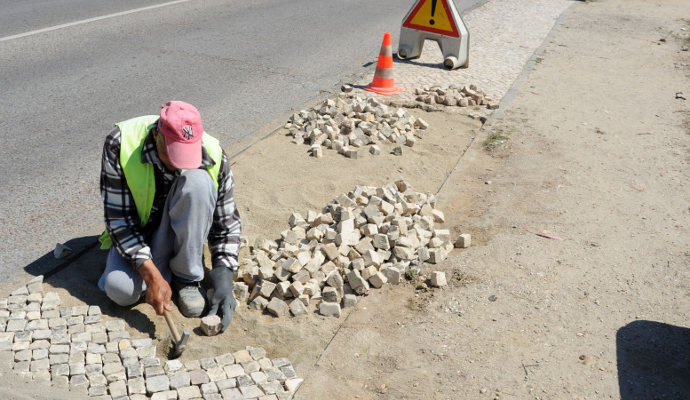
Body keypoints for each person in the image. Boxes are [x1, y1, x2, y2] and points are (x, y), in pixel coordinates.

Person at [98, 101, 241, 333]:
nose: (178, 164)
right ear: (157, 135)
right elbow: (119, 220)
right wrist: (151, 275)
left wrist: (224, 277)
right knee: (120, 291)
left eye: (186, 155)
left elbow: (226, 223)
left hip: (181, 234)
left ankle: (186, 276)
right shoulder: (120, 143)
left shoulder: (214, 152)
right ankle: (160, 272)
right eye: (172, 153)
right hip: (138, 233)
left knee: (199, 182)